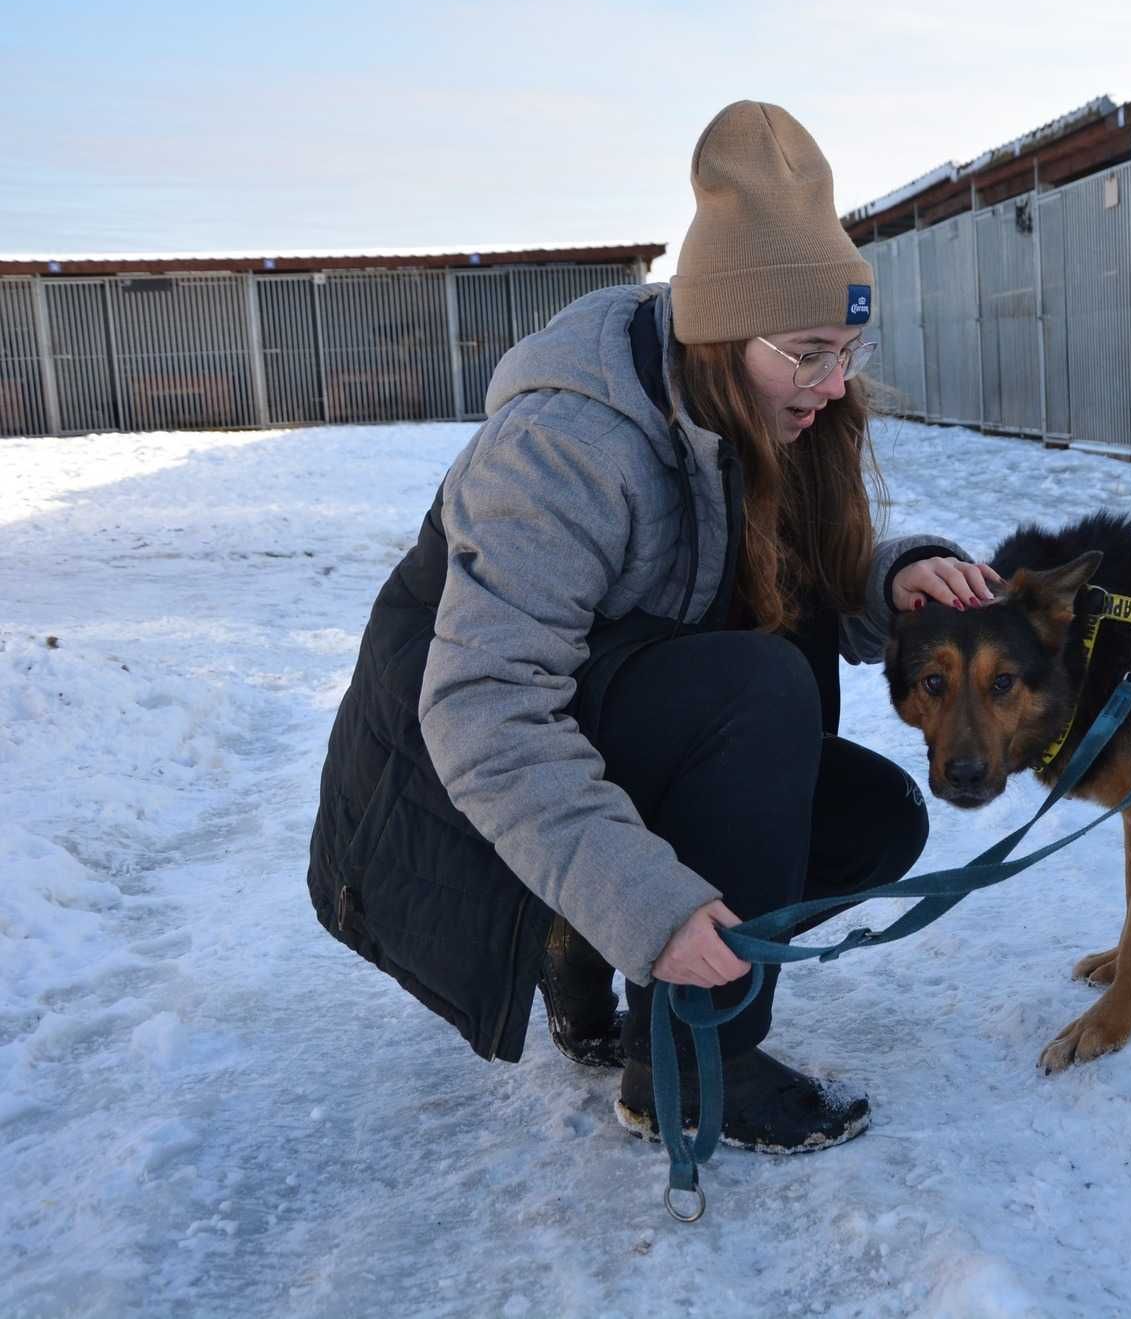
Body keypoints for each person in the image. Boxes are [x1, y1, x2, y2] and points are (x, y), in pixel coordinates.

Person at [307, 101, 999, 1154]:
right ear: (722, 334)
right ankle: (688, 1060)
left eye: (850, 349)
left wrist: (894, 575)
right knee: (763, 687)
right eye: (808, 351)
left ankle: (584, 951)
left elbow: (773, 563)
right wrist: (644, 902)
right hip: (463, 782)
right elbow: (483, 708)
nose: (834, 383)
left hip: (596, 728)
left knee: (868, 817)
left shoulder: (761, 407)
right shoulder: (569, 442)